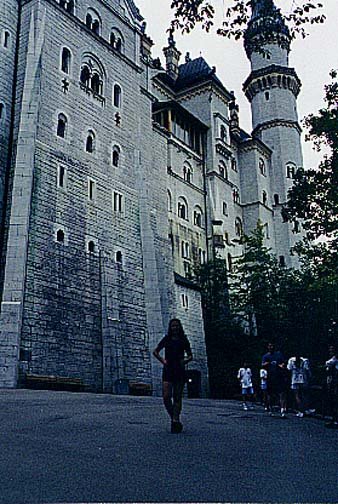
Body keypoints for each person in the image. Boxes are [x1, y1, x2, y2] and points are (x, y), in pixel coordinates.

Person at [153, 318, 193, 433]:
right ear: (170, 327)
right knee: (166, 396)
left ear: (179, 327)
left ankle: (175, 420)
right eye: (173, 326)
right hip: (168, 369)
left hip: (179, 369)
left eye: (176, 326)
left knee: (177, 397)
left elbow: (190, 356)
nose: (174, 328)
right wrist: (163, 360)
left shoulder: (183, 340)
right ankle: (174, 418)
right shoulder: (167, 339)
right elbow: (156, 351)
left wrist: (184, 361)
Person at [261, 342, 286, 417]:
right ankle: (271, 408)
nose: (271, 347)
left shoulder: (279, 354)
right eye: (269, 346)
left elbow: (283, 363)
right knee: (270, 394)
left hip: (279, 377)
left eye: (272, 346)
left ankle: (282, 410)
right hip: (270, 377)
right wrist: (267, 363)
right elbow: (262, 364)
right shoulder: (266, 356)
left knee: (281, 393)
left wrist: (281, 365)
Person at [324, 344, 338, 428]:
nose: (330, 351)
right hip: (333, 381)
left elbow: (328, 363)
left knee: (335, 400)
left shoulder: (335, 358)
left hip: (335, 381)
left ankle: (335, 420)